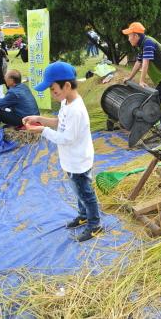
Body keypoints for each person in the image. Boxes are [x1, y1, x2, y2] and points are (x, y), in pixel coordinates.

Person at [23, 61, 103, 242]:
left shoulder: (76, 110)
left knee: (85, 193)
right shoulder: (66, 102)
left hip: (78, 160)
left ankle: (95, 223)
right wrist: (39, 119)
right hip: (70, 158)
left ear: (67, 85)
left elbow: (67, 138)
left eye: (54, 90)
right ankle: (83, 215)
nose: (52, 94)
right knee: (77, 190)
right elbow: (60, 123)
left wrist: (41, 131)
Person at [123, 22, 161, 123]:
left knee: (156, 97)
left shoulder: (148, 43)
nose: (128, 39)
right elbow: (138, 62)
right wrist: (130, 77)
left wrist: (141, 80)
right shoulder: (143, 44)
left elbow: (145, 62)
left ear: (136, 36)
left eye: (129, 36)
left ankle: (154, 120)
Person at [0, 70, 40, 146]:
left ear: (11, 80)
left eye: (6, 77)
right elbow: (7, 104)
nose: (4, 78)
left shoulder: (13, 93)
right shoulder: (23, 86)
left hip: (25, 119)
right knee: (0, 109)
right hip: (35, 116)